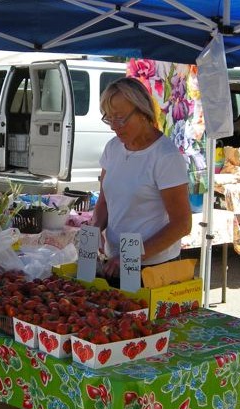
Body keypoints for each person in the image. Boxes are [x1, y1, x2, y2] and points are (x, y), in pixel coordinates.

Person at [92, 77, 192, 286]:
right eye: (109, 119)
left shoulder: (165, 157)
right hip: (115, 263)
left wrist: (134, 256)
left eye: (120, 119)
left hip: (154, 270)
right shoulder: (112, 148)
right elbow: (104, 202)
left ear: (143, 113)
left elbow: (182, 224)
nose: (114, 127)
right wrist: (94, 229)